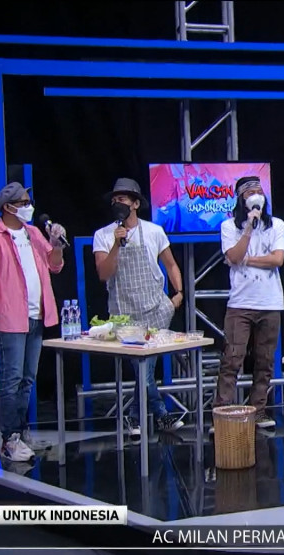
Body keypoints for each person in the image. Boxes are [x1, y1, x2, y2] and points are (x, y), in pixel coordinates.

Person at [0, 182, 66, 462]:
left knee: (27, 379)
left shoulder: (34, 233)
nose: (29, 207)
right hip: (9, 319)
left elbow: (55, 266)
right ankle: (9, 439)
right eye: (24, 203)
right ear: (8, 207)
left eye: (28, 202)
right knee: (10, 379)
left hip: (36, 316)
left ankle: (22, 432)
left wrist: (57, 245)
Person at [93, 178, 185, 439]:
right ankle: (159, 415)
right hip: (125, 315)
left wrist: (178, 294)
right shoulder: (103, 235)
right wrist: (116, 244)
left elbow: (170, 264)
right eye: (115, 200)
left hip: (156, 309)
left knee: (145, 369)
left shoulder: (154, 231)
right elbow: (104, 273)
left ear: (135, 204)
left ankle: (136, 418)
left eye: (122, 199)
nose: (117, 203)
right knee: (142, 369)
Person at [215, 176, 284, 430]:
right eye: (250, 192)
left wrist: (246, 260)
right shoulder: (228, 226)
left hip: (270, 302)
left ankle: (258, 412)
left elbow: (277, 259)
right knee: (232, 359)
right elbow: (233, 255)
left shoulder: (276, 225)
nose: (256, 195)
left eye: (259, 191)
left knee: (264, 361)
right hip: (240, 303)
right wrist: (248, 228)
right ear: (240, 198)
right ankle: (222, 413)